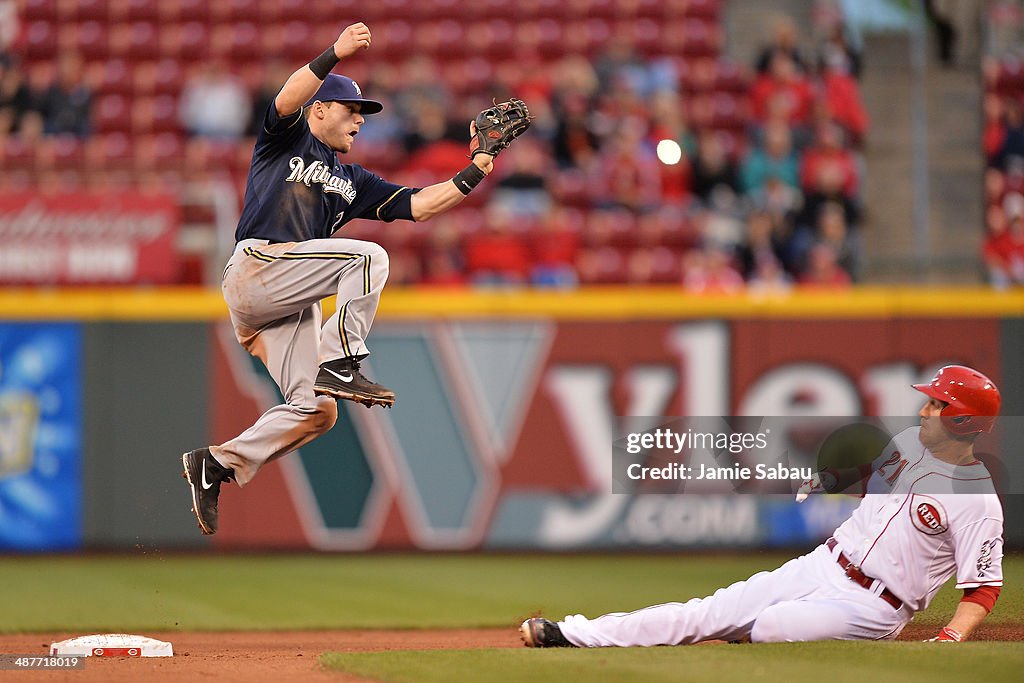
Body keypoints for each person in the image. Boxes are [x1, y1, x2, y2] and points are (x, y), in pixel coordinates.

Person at [182, 23, 509, 535]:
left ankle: (218, 463)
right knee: (368, 258)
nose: (359, 120)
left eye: (364, 114)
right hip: (259, 267)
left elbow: (420, 206)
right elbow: (288, 95)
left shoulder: (354, 182)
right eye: (350, 110)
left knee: (318, 412)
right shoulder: (284, 137)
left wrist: (478, 169)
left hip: (286, 300)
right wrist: (335, 53)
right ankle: (340, 361)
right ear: (320, 110)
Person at [522, 365, 1004, 646]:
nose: (925, 409)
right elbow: (878, 491)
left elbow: (982, 590)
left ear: (963, 418)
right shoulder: (907, 443)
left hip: (875, 605)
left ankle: (738, 635)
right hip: (824, 564)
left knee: (773, 625)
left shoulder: (977, 500)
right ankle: (572, 634)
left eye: (938, 405)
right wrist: (831, 481)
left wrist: (951, 638)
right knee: (707, 611)